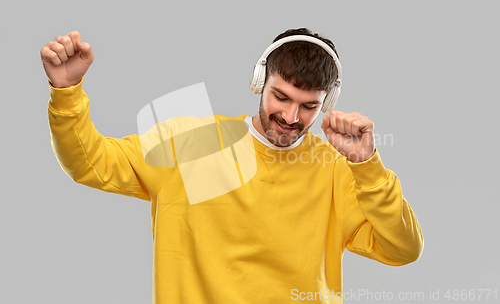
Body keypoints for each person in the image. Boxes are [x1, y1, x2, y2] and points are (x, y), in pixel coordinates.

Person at [41, 28, 423, 303]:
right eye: (281, 96)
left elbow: (403, 249)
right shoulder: (189, 143)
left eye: (309, 106)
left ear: (326, 102)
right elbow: (88, 163)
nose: (291, 116)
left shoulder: (336, 172)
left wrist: (367, 165)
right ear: (260, 81)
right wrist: (66, 93)